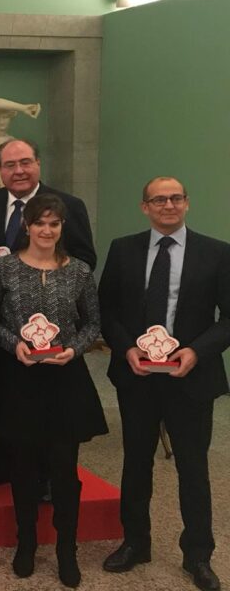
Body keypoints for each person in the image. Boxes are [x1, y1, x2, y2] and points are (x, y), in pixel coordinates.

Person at [99, 177, 229, 591]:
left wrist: (197, 352)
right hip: (138, 377)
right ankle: (135, 542)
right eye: (159, 199)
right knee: (136, 462)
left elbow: (228, 318)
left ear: (187, 203)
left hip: (190, 377)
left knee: (193, 467)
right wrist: (126, 350)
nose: (168, 205)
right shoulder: (123, 249)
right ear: (145, 207)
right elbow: (106, 310)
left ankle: (198, 555)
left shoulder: (216, 253)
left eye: (175, 198)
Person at [0, 138, 95, 489]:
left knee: (46, 405)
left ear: (38, 163)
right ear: (0, 169)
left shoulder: (69, 205)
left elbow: (84, 259)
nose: (18, 171)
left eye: (25, 162)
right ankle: (1, 464)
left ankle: (48, 475)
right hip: (0, 323)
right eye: (9, 165)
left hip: (52, 331)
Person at [0, 193, 107, 587]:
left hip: (64, 380)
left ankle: (66, 550)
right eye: (40, 222)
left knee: (63, 469)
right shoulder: (4, 269)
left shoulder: (78, 272)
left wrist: (74, 349)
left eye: (54, 224)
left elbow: (93, 323)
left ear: (62, 228)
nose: (46, 230)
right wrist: (14, 344)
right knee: (22, 468)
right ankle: (26, 543)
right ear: (27, 225)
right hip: (21, 379)